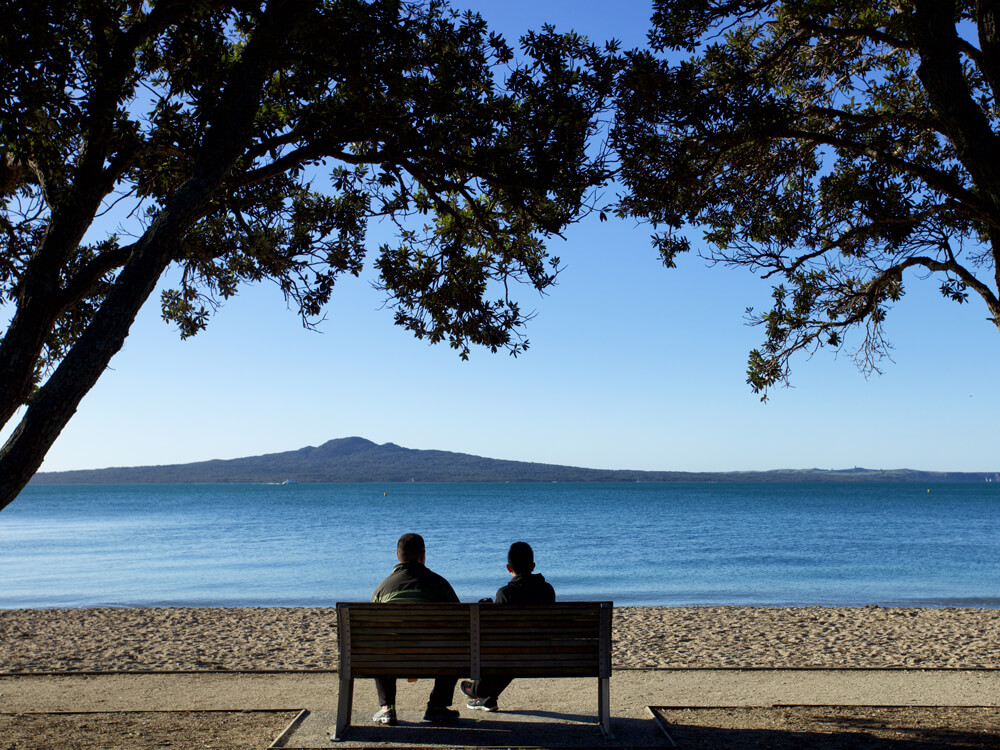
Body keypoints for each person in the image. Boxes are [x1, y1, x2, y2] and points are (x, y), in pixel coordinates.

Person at [370, 532, 461, 726]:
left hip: (392, 657)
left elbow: (374, 629)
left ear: (397, 556)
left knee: (381, 643)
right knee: (457, 645)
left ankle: (387, 708)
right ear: (423, 555)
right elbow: (460, 622)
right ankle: (437, 706)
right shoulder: (440, 584)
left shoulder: (383, 588)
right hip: (433, 656)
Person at [461, 541, 555, 712]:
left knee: (506, 650)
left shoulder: (505, 593)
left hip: (512, 656)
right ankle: (486, 698)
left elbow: (497, 634)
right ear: (533, 565)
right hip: (544, 654)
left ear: (508, 567)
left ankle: (476, 691)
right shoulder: (548, 590)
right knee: (514, 650)